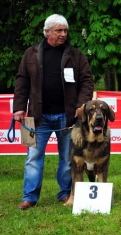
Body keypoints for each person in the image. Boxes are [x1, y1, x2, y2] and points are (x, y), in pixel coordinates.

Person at [13, 14, 94, 210]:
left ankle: (65, 193)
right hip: (34, 117)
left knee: (68, 158)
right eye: (59, 30)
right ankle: (29, 197)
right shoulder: (30, 54)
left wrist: (81, 105)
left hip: (68, 118)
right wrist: (18, 108)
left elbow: (87, 81)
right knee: (32, 157)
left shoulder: (76, 55)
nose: (63, 34)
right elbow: (21, 81)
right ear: (46, 32)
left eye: (65, 30)